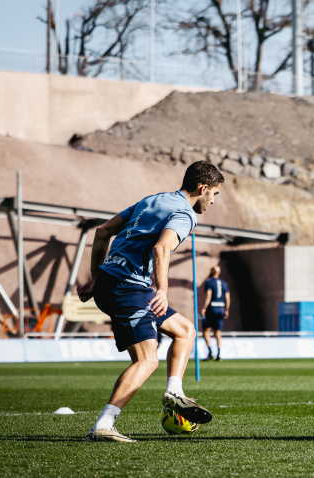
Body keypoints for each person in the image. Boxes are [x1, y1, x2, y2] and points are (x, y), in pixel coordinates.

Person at [76, 160, 224, 443]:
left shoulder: (152, 200)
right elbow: (162, 247)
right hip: (128, 288)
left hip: (115, 282)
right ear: (203, 188)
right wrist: (163, 289)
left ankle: (175, 392)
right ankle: (103, 425)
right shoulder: (184, 213)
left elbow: (102, 232)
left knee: (185, 331)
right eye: (214, 194)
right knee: (147, 360)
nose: (213, 201)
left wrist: (97, 277)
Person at [200, 265, 230, 361]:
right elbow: (228, 298)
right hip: (221, 308)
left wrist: (204, 307)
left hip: (212, 308)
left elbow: (208, 296)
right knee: (218, 332)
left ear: (212, 271)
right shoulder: (224, 283)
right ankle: (219, 354)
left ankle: (210, 352)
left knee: (206, 331)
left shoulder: (209, 282)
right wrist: (226, 309)